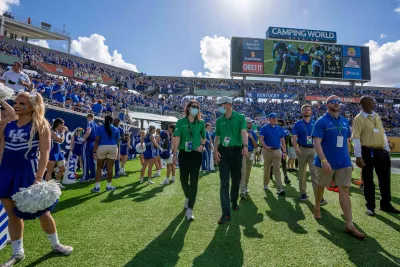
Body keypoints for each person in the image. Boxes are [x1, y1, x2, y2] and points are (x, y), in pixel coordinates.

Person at [0, 92, 73, 266]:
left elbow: (45, 153)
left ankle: (56, 244)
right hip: (7, 171)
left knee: (42, 212)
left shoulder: (40, 125)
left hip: (29, 172)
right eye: (15, 102)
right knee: (12, 214)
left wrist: (39, 177)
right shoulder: (7, 125)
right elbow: (2, 149)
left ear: (32, 106)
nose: (17, 105)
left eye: (22, 103)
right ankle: (18, 252)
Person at [312, 95, 366, 239]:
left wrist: (349, 159)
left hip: (343, 162)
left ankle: (349, 224)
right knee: (321, 186)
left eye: (338, 102)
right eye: (333, 102)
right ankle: (317, 206)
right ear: (327, 105)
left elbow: (347, 141)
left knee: (345, 190)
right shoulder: (321, 121)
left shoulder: (344, 120)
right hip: (325, 163)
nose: (336, 104)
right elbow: (316, 143)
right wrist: (323, 160)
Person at [352, 96, 399, 216]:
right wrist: (358, 156)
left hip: (381, 151)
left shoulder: (376, 115)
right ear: (363, 104)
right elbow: (356, 139)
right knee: (368, 180)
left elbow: (382, 133)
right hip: (368, 151)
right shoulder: (358, 119)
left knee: (385, 180)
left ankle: (386, 205)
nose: (374, 103)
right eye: (371, 101)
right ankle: (370, 206)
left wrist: (386, 149)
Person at [214, 97, 248, 224]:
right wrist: (215, 151)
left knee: (236, 180)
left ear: (228, 104)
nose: (220, 107)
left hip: (236, 151)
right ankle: (226, 214)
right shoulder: (219, 121)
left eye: (221, 104)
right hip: (223, 152)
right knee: (224, 183)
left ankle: (234, 200)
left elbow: (244, 132)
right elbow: (217, 137)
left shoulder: (240, 117)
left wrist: (245, 146)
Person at [173, 100, 206, 221]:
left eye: (197, 107)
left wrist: (202, 146)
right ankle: (188, 196)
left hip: (196, 154)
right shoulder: (181, 122)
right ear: (187, 108)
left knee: (194, 182)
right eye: (193, 107)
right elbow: (176, 138)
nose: (195, 109)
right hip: (184, 153)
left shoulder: (201, 123)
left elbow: (204, 138)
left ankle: (190, 209)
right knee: (182, 179)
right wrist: (175, 153)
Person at [291, 104, 327, 204]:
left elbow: (321, 137)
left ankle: (319, 197)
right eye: (305, 110)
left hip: (313, 150)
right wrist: (296, 148)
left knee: (314, 173)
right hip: (302, 149)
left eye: (308, 110)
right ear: (302, 112)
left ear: (311, 112)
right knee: (302, 173)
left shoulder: (315, 123)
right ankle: (303, 193)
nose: (306, 111)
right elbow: (293, 137)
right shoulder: (297, 124)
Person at [259, 113, 287, 195]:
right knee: (267, 168)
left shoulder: (280, 128)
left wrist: (284, 151)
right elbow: (261, 139)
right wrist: (265, 146)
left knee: (277, 170)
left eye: (276, 118)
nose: (275, 119)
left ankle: (279, 188)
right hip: (267, 151)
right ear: (269, 119)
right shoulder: (264, 128)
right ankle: (266, 183)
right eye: (273, 118)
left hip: (277, 150)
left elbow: (282, 140)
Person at [91, 115, 120, 193]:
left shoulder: (99, 128)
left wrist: (94, 151)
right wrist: (118, 153)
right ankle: (109, 186)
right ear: (112, 121)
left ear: (104, 120)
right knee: (110, 168)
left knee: (99, 168)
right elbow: (118, 142)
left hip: (102, 147)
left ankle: (97, 187)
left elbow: (97, 140)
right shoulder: (116, 129)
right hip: (113, 148)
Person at [45, 118, 68, 189]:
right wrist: (63, 132)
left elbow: (59, 141)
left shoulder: (58, 132)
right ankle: (47, 186)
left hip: (58, 152)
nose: (63, 126)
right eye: (62, 125)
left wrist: (62, 132)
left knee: (62, 169)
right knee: (50, 170)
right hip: (52, 152)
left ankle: (57, 183)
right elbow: (60, 140)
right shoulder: (52, 131)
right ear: (59, 124)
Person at [240, 117, 258, 199]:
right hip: (243, 153)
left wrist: (251, 137)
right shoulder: (240, 132)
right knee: (243, 171)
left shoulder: (253, 133)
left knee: (248, 171)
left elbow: (256, 146)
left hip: (251, 153)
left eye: (251, 123)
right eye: (248, 123)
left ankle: (245, 186)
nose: (250, 124)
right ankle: (242, 189)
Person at [80, 114, 97, 182]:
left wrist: (83, 138)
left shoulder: (89, 123)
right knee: (92, 160)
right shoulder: (95, 124)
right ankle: (92, 175)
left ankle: (85, 177)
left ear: (88, 117)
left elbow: (88, 131)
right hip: (93, 143)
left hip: (88, 142)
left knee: (85, 160)